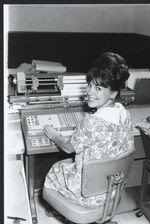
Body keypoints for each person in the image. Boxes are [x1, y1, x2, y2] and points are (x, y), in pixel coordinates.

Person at [43, 52, 135, 208]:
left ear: (113, 93)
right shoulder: (124, 114)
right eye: (90, 85)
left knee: (55, 169)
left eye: (98, 88)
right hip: (112, 189)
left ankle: (64, 206)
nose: (89, 92)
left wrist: (54, 135)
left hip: (87, 195)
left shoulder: (91, 123)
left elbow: (67, 147)